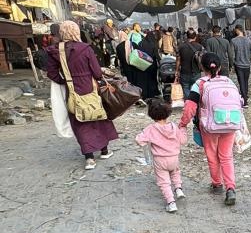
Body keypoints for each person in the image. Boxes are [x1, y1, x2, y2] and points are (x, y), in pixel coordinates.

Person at [46, 21, 119, 170]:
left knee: (79, 121)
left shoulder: (55, 50)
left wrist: (65, 81)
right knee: (97, 116)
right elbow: (97, 73)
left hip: (71, 91)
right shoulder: (85, 48)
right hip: (89, 88)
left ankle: (89, 158)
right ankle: (104, 151)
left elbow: (52, 73)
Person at [179, 53, 240, 206]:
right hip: (230, 124)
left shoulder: (199, 84)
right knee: (226, 157)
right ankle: (230, 188)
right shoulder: (229, 82)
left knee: (212, 156)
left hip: (209, 127)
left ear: (202, 67)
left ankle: (217, 184)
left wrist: (182, 124)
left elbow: (190, 108)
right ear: (219, 67)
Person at [136, 98, 188, 213]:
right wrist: (183, 130)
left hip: (160, 160)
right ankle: (179, 189)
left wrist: (145, 142)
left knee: (164, 182)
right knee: (175, 172)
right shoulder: (174, 126)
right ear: (168, 112)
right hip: (174, 157)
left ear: (151, 114)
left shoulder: (150, 129)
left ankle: (171, 203)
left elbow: (139, 140)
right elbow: (183, 140)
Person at [176, 30, 204, 98]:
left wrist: (176, 70)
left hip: (184, 71)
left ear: (186, 36)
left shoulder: (181, 46)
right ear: (195, 37)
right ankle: (195, 103)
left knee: (185, 88)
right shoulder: (199, 46)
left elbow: (178, 60)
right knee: (196, 88)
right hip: (196, 72)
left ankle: (189, 102)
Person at [231, 25, 251, 106]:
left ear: (237, 30)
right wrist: (249, 60)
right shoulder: (249, 41)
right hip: (247, 65)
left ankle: (245, 101)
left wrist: (233, 64)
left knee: (241, 82)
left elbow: (232, 55)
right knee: (246, 82)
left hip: (238, 65)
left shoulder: (233, 41)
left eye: (235, 30)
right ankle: (245, 97)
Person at [138, 32, 161, 99]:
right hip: (152, 64)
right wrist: (161, 62)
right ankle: (153, 93)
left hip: (143, 63)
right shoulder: (153, 44)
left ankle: (145, 93)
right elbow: (156, 55)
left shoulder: (141, 43)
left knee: (144, 78)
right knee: (153, 79)